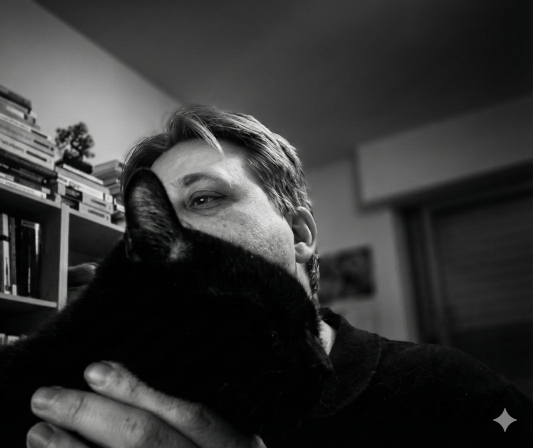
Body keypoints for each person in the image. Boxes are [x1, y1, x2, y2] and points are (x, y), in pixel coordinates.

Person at [26, 106, 533, 448]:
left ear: (298, 233)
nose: (168, 238)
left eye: (203, 198)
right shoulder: (114, 395)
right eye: (148, 224)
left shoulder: (449, 394)